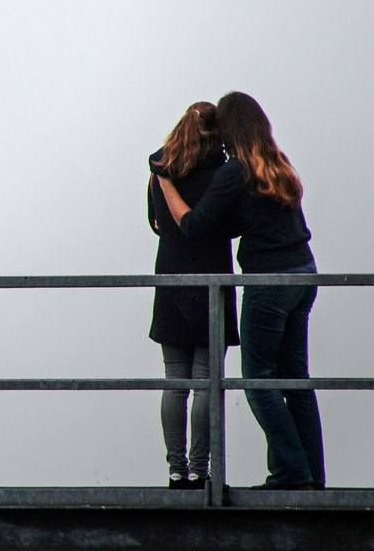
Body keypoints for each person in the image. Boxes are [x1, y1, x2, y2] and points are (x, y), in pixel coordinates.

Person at [159, 91, 323, 490]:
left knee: (257, 381)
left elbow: (194, 225)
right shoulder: (276, 161)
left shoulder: (236, 171)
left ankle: (290, 473)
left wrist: (164, 179)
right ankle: (312, 477)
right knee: (295, 381)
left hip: (268, 283)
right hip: (303, 273)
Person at [145, 101, 237, 491]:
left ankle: (175, 469)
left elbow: (154, 223)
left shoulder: (159, 174)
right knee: (205, 381)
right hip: (211, 281)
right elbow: (232, 225)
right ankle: (201, 470)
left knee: (174, 381)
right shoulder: (220, 174)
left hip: (170, 279)